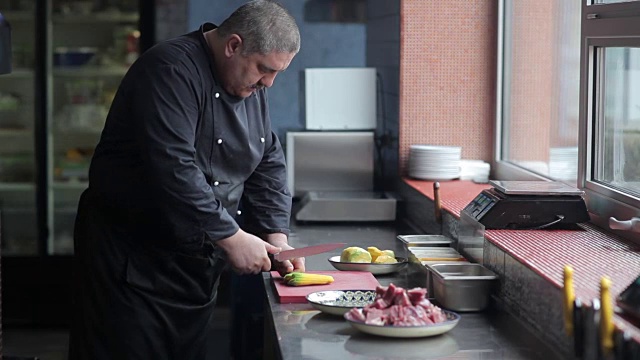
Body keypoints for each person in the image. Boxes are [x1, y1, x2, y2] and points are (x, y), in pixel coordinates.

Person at [68, 1, 304, 359]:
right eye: (263, 70)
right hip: (132, 263)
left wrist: (277, 236)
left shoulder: (252, 88)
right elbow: (173, 166)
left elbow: (266, 160)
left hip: (190, 268)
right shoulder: (170, 69)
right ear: (234, 45)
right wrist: (231, 236)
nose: (268, 83)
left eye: (276, 74)